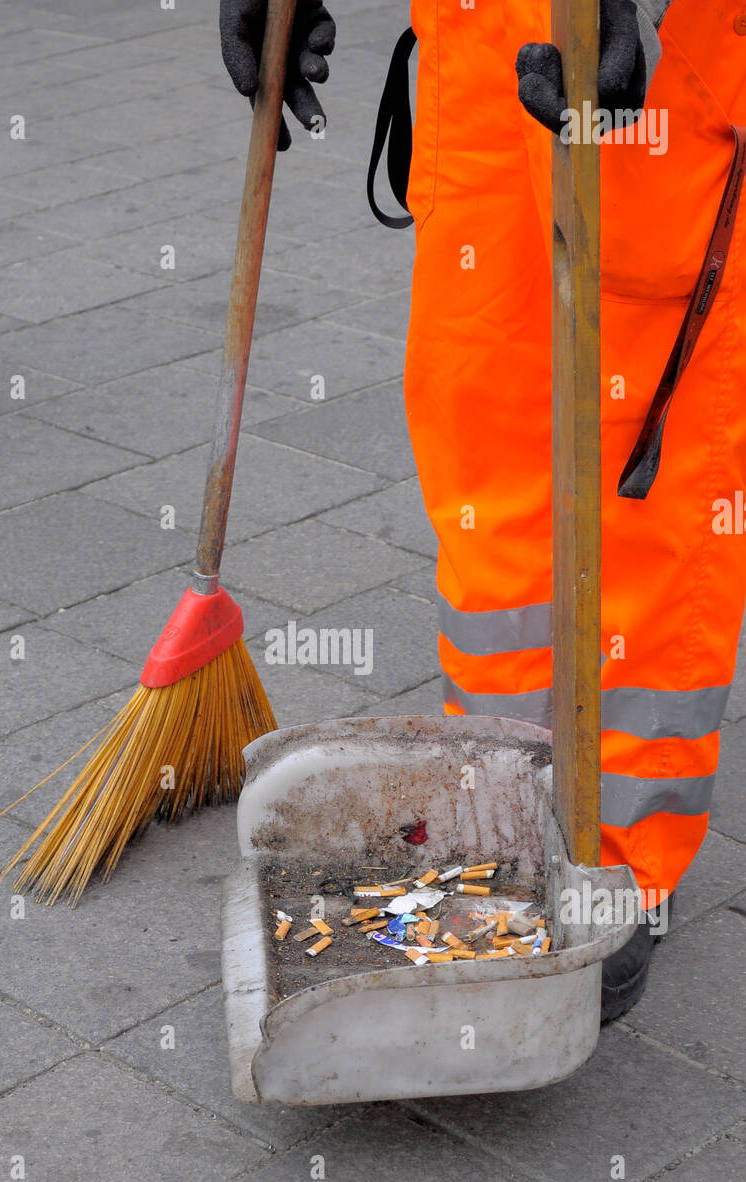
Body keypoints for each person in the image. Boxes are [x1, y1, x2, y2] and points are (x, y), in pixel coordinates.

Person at [219, 0, 746, 1018]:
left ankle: (615, 858)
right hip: (479, 52)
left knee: (642, 466)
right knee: (485, 451)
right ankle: (505, 811)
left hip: (654, 59)